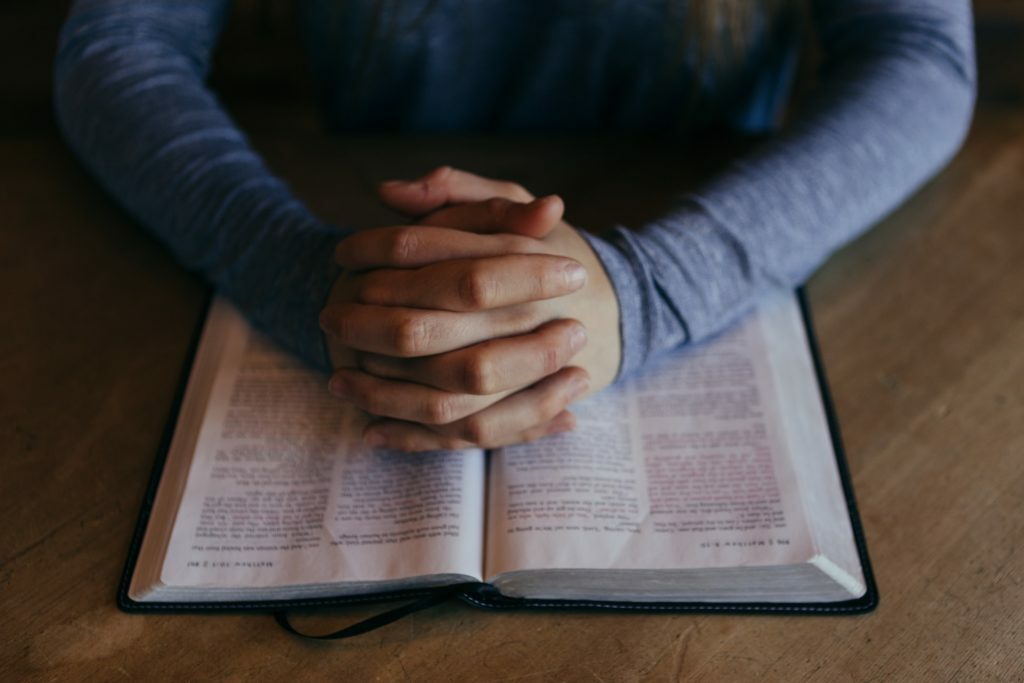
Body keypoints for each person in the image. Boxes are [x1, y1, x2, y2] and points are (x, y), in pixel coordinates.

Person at [54, 0, 975, 451]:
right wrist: (312, 279)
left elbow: (921, 55)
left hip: (703, 212)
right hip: (369, 218)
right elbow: (115, 45)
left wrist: (648, 288)